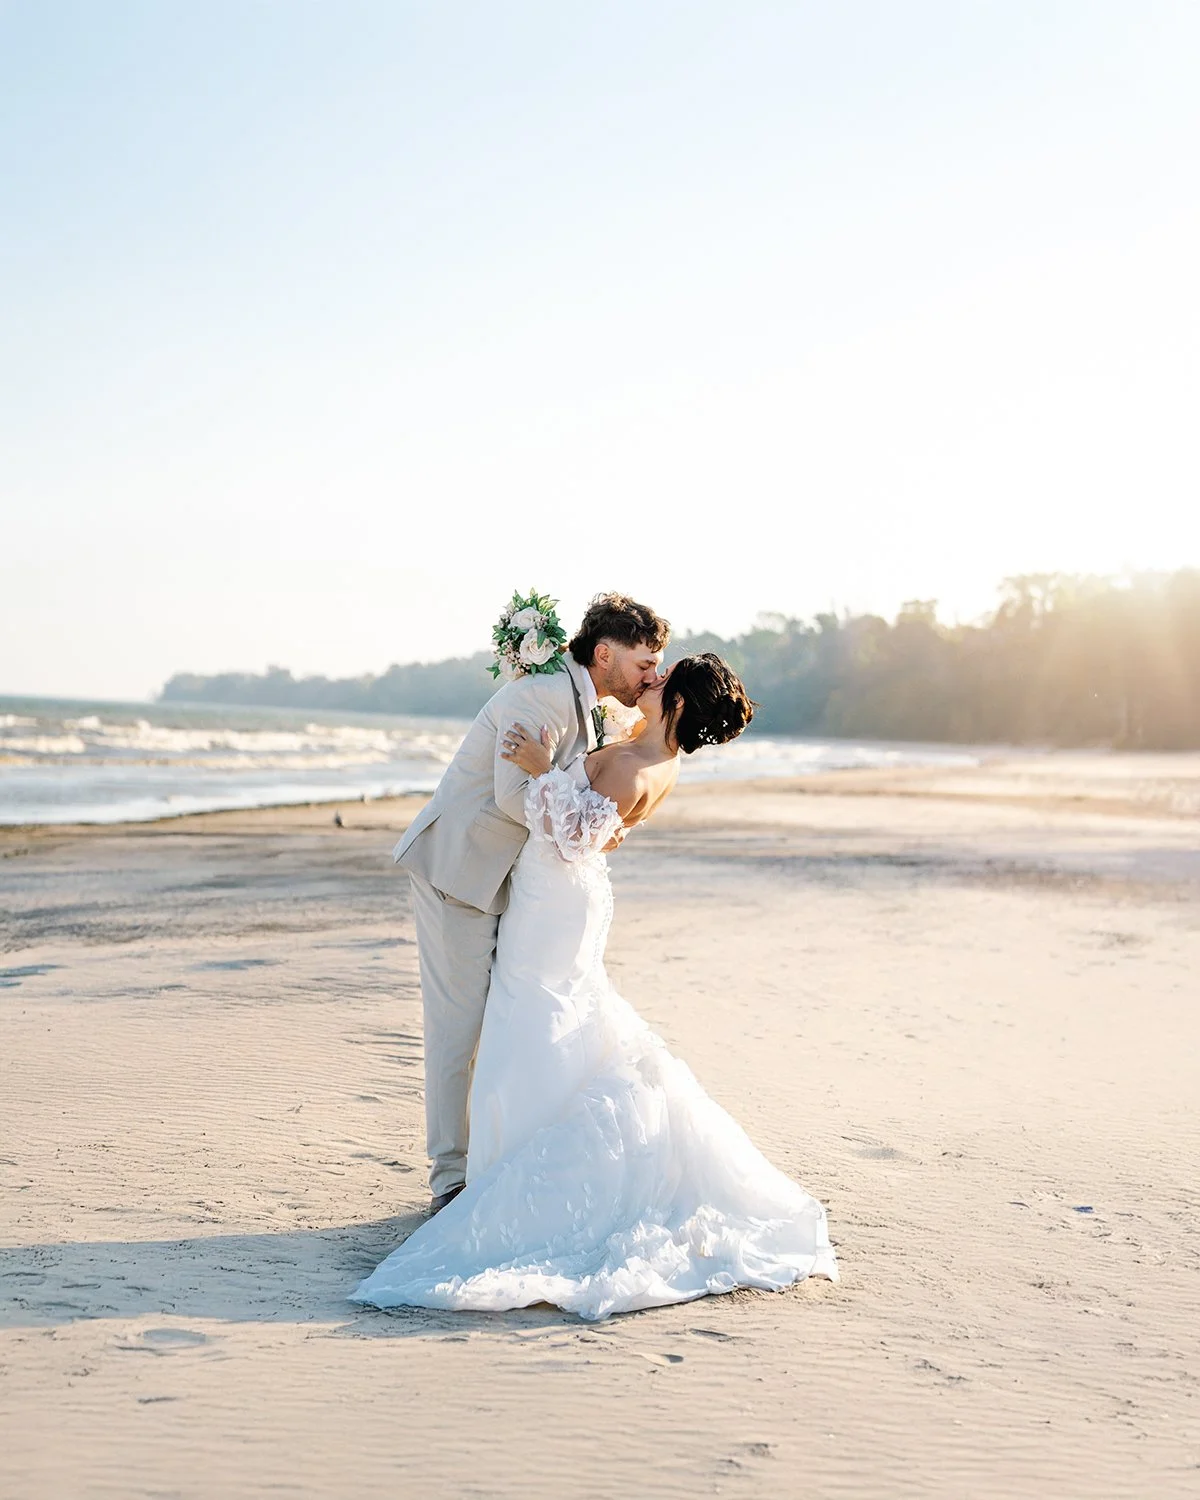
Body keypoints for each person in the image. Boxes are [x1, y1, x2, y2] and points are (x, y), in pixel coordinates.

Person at [352, 653, 838, 1321]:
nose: (651, 679)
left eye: (662, 681)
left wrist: (536, 768)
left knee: (534, 1015)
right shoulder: (657, 759)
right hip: (567, 897)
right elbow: (603, 828)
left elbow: (575, 833)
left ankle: (509, 1173)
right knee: (554, 1013)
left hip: (556, 897)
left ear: (679, 706)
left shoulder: (632, 763)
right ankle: (498, 1163)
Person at [392, 593, 670, 1212]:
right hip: (458, 873)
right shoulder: (543, 696)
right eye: (644, 663)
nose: (651, 676)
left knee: (497, 1027)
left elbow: (582, 789)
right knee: (457, 1031)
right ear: (604, 654)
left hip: (507, 880)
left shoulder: (589, 704)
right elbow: (516, 797)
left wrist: (598, 820)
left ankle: (484, 1161)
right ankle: (449, 1181)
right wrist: (570, 803)